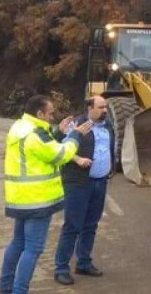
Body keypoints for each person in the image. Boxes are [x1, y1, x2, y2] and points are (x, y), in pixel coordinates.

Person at [0, 95, 92, 294]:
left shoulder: (20, 127)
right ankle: (19, 291)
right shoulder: (36, 133)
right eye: (50, 113)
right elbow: (60, 155)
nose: (52, 117)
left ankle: (5, 288)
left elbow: (42, 150)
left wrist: (58, 133)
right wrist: (75, 135)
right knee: (33, 248)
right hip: (37, 200)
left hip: (20, 198)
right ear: (39, 113)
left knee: (18, 243)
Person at [52, 96, 115, 285]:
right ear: (89, 108)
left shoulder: (108, 126)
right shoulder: (77, 124)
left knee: (91, 225)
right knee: (73, 226)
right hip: (78, 183)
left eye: (106, 107)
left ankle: (84, 262)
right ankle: (61, 268)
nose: (105, 110)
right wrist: (78, 159)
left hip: (100, 182)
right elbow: (62, 148)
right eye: (101, 107)